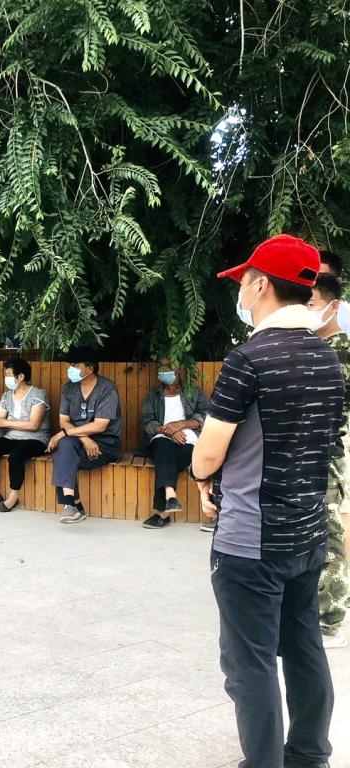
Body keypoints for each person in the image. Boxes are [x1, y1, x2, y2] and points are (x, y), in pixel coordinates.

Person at [192, 234, 342, 768]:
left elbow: (208, 455)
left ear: (260, 286)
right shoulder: (328, 359)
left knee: (249, 663)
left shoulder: (249, 359)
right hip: (307, 535)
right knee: (304, 648)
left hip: (250, 542)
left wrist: (202, 475)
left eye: (243, 281)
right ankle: (309, 756)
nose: (240, 291)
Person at [308, 273, 350, 649]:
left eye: (310, 304)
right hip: (311, 455)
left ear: (332, 306)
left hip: (328, 456)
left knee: (329, 535)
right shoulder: (318, 347)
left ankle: (332, 621)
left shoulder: (340, 350)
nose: (305, 312)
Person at [47, 350, 123, 524]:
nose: (70, 369)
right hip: (79, 441)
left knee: (62, 455)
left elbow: (100, 425)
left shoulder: (107, 388)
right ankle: (70, 504)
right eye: (70, 365)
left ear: (89, 369)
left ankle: (75, 506)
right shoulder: (69, 387)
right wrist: (84, 439)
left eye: (75, 365)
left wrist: (65, 433)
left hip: (106, 443)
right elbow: (64, 421)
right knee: (65, 448)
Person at [138, 359, 210, 529]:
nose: (165, 370)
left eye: (169, 367)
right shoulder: (153, 396)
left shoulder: (194, 393)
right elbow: (147, 423)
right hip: (161, 439)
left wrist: (181, 424)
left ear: (178, 370)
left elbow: (206, 416)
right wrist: (167, 430)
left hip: (188, 439)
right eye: (161, 367)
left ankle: (165, 509)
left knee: (169, 459)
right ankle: (169, 497)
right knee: (164, 448)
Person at [0, 358, 50, 513]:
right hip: (11, 437)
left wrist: (6, 423)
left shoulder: (38, 394)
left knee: (16, 456)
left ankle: (14, 496)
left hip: (36, 439)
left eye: (9, 375)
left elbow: (33, 425)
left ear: (21, 376)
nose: (6, 378)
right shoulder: (6, 396)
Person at [318, 248, 350, 335]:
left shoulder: (346, 320)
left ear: (338, 282)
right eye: (308, 276)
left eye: (322, 279)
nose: (313, 284)